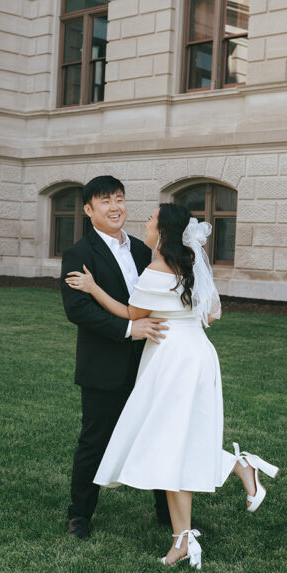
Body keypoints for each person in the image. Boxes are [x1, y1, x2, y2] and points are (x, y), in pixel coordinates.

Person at [65, 202, 278, 569]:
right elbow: (212, 313)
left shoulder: (154, 269)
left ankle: (239, 466)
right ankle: (183, 539)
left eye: (150, 221)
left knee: (173, 440)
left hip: (172, 361)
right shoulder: (190, 265)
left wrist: (94, 288)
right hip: (197, 353)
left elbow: (130, 314)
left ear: (161, 232)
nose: (144, 224)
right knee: (176, 440)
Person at [60, 176, 172, 540]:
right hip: (102, 366)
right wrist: (128, 330)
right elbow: (78, 310)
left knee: (157, 436)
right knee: (95, 440)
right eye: (105, 201)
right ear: (88, 210)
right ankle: (80, 515)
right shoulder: (79, 253)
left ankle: (168, 514)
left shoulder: (143, 251)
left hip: (148, 363)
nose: (115, 207)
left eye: (119, 199)